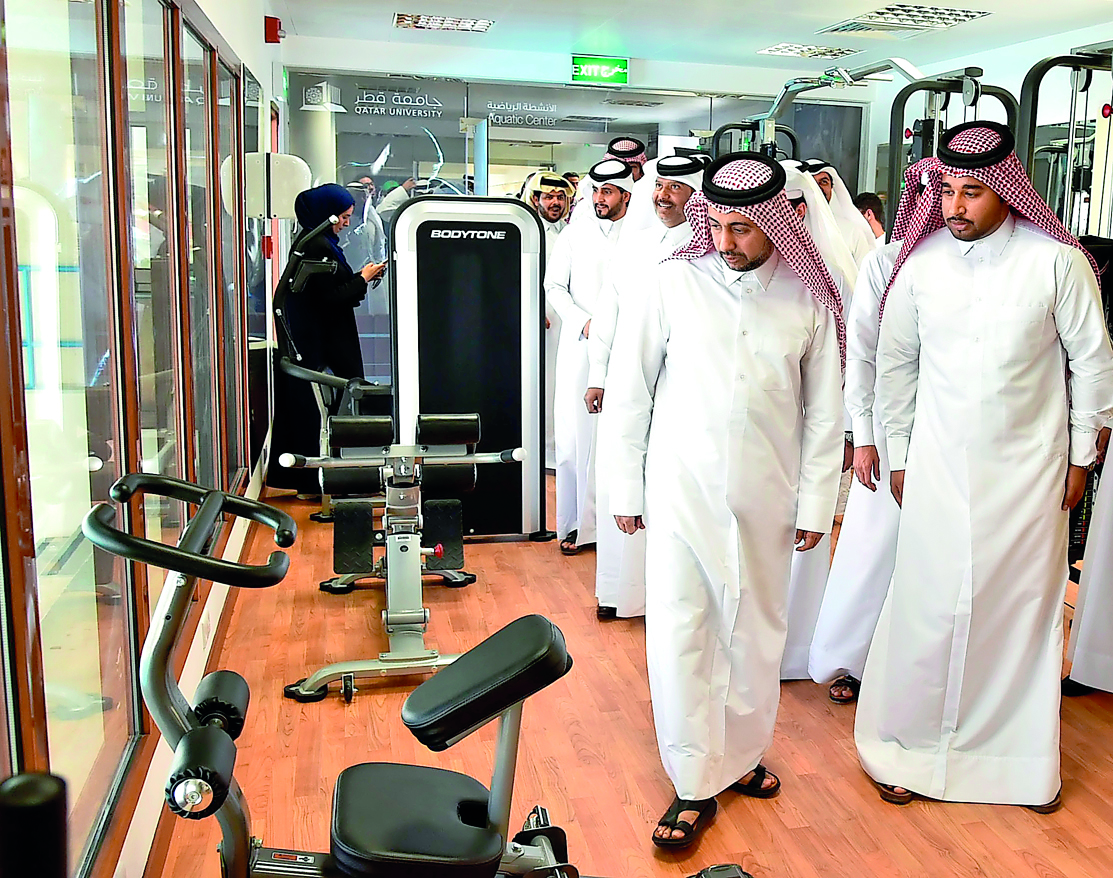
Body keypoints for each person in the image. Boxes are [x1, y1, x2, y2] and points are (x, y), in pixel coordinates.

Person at [855, 121, 1113, 812]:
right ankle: (905, 748)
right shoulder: (921, 265)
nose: (954, 206)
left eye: (972, 192)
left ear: (1005, 191)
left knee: (1019, 614)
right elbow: (896, 368)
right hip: (936, 468)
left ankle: (1016, 766)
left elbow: (1091, 361)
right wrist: (901, 454)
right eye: (946, 191)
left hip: (1030, 472)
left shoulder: (1056, 262)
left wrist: (1082, 457)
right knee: (928, 607)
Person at [605, 153, 844, 849]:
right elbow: (630, 391)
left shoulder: (807, 299)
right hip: (681, 492)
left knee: (755, 632)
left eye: (745, 228)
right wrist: (624, 487)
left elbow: (825, 416)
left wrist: (813, 507)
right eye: (721, 226)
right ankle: (691, 781)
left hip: (769, 496)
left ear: (778, 223)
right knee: (684, 628)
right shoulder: (674, 284)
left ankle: (737, 757)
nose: (731, 241)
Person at [587, 154, 701, 619]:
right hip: (627, 381)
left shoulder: (708, 247)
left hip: (681, 389)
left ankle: (669, 598)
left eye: (676, 187)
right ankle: (622, 592)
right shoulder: (634, 247)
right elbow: (607, 315)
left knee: (669, 487)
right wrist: (598, 374)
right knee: (624, 474)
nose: (663, 195)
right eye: (660, 186)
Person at [808, 239, 903, 702]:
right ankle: (853, 662)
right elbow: (861, 352)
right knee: (873, 548)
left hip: (960, 428)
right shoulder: (885, 261)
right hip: (887, 427)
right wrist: (861, 436)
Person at [775, 160, 857, 679]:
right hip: (765, 431)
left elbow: (856, 359)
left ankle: (798, 650)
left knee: (805, 538)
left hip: (819, 427)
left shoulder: (835, 271)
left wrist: (850, 431)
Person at [544, 159, 634, 555]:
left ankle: (618, 525)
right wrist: (584, 322)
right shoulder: (574, 236)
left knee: (621, 435)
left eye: (608, 192)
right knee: (574, 437)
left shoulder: (642, 234)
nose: (599, 199)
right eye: (596, 191)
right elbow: (554, 287)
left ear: (625, 196)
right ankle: (574, 525)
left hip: (629, 346)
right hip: (581, 347)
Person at [522, 172, 576, 471]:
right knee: (541, 387)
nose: (555, 203)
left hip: (566, 322)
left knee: (561, 386)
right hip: (539, 324)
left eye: (560, 197)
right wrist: (531, 309)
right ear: (536, 200)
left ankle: (557, 451)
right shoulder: (528, 233)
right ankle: (541, 451)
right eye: (549, 197)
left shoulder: (569, 233)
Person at [802, 159, 876, 265]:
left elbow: (864, 276)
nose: (818, 188)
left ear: (832, 188)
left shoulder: (853, 232)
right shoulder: (792, 230)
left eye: (823, 182)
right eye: (812, 182)